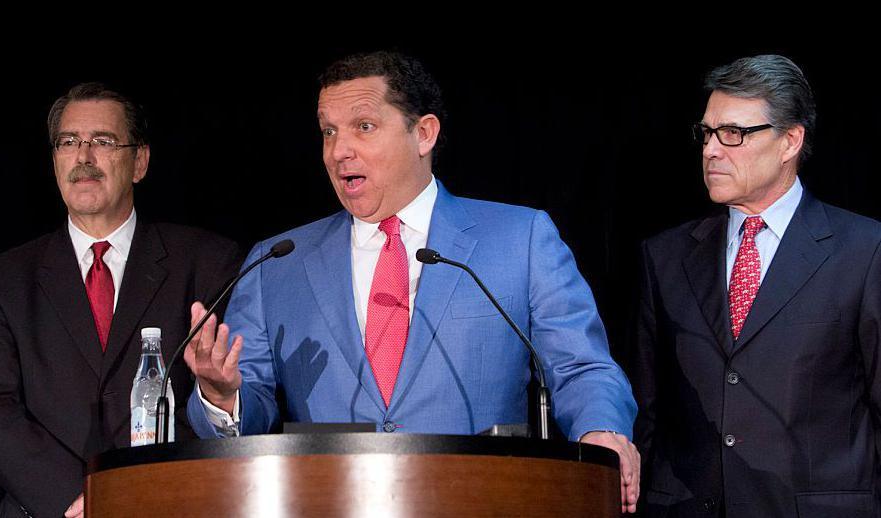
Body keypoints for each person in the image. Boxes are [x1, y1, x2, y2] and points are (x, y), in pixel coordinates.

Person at [185, 50, 640, 513]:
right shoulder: (277, 262)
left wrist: (601, 432)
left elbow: (581, 368)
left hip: (485, 501)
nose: (339, 150)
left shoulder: (519, 239)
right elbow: (251, 408)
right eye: (328, 131)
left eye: (363, 126)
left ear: (424, 133)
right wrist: (223, 397)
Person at [0, 83, 242, 518]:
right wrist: (77, 500)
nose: (83, 157)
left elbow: (213, 400)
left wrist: (139, 491)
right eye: (69, 142)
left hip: (166, 504)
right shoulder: (3, 280)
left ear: (140, 162)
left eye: (103, 141)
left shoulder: (206, 263)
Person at [633, 54, 881, 517]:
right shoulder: (663, 257)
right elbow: (649, 412)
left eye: (734, 134)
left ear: (790, 141)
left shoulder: (865, 251)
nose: (710, 150)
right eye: (706, 133)